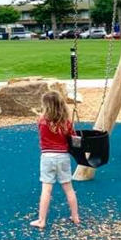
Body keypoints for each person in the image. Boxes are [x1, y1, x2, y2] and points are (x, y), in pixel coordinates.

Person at [30, 90, 80, 229]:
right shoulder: (66, 122)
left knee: (46, 190)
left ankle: (41, 220)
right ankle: (75, 216)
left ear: (45, 106)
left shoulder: (42, 121)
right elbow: (73, 138)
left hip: (47, 157)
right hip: (63, 157)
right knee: (69, 189)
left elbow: (44, 132)